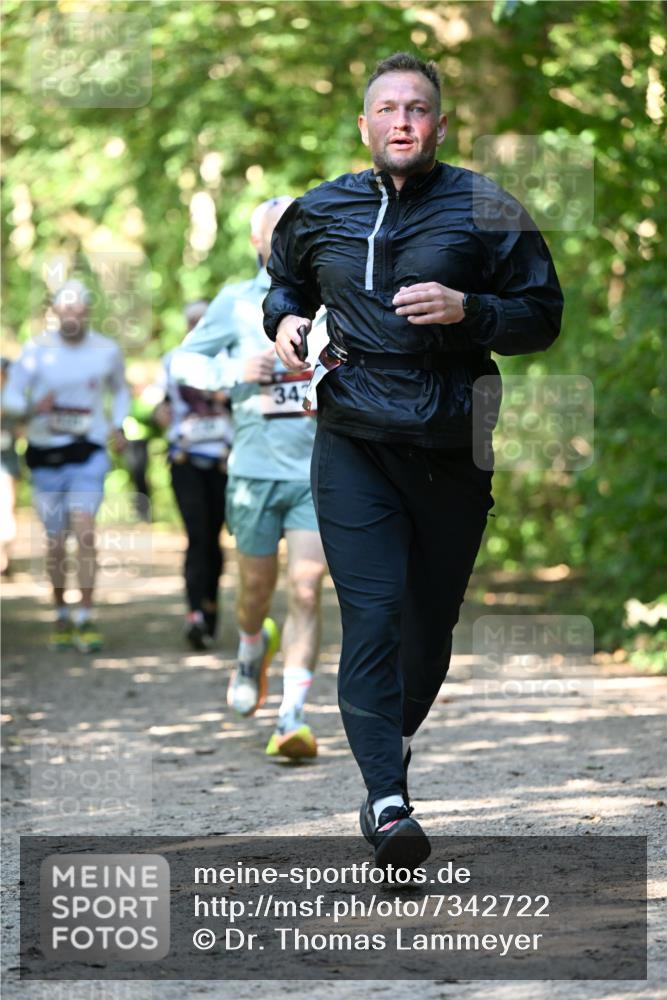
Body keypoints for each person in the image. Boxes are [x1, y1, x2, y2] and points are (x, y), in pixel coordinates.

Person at [264, 52, 564, 868]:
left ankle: (379, 746)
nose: (402, 120)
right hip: (353, 439)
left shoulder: (485, 205)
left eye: (418, 108)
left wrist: (471, 311)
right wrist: (284, 323)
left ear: (440, 123)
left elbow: (542, 316)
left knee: (428, 631)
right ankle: (388, 803)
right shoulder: (320, 209)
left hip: (452, 445)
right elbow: (283, 284)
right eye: (387, 108)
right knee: (374, 613)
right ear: (363, 126)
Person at [172, 197, 328, 760]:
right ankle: (249, 645)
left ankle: (292, 716)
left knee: (308, 588)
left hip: (317, 471)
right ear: (257, 244)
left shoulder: (333, 296)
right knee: (255, 594)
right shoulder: (236, 303)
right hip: (254, 476)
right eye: (276, 233)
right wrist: (233, 371)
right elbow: (182, 363)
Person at [2, 279, 130, 652]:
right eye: (66, 311)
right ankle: (60, 612)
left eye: (79, 311)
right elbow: (9, 395)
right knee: (56, 542)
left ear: (88, 312)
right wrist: (30, 407)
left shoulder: (106, 351)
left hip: (87, 451)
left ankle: (86, 615)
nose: (72, 317)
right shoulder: (36, 351)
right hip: (45, 455)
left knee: (85, 530)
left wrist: (117, 423)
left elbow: (120, 389)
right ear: (55, 312)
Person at [154, 301, 234, 650]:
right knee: (197, 534)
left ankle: (211, 606)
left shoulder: (231, 359)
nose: (197, 326)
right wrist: (161, 414)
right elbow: (158, 405)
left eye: (204, 321)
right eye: (192, 321)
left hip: (223, 460)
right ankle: (194, 615)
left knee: (214, 537)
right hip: (185, 458)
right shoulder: (173, 360)